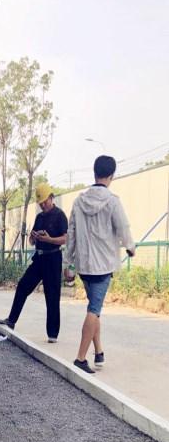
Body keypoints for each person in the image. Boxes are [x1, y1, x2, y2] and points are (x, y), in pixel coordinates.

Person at [65, 155, 135, 374]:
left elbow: (71, 234)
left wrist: (68, 263)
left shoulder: (79, 201)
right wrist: (130, 247)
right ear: (112, 175)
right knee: (94, 310)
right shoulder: (112, 201)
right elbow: (123, 227)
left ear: (94, 173)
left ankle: (99, 352)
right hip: (103, 266)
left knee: (94, 310)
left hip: (84, 266)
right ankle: (80, 358)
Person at [0, 183, 68, 342]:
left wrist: (49, 239)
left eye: (45, 202)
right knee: (23, 286)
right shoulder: (39, 217)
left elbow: (65, 238)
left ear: (51, 197)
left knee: (52, 296)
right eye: (40, 203)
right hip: (39, 258)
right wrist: (33, 237)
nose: (43, 205)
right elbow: (30, 241)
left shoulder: (60, 215)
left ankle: (52, 334)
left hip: (53, 258)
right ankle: (11, 320)